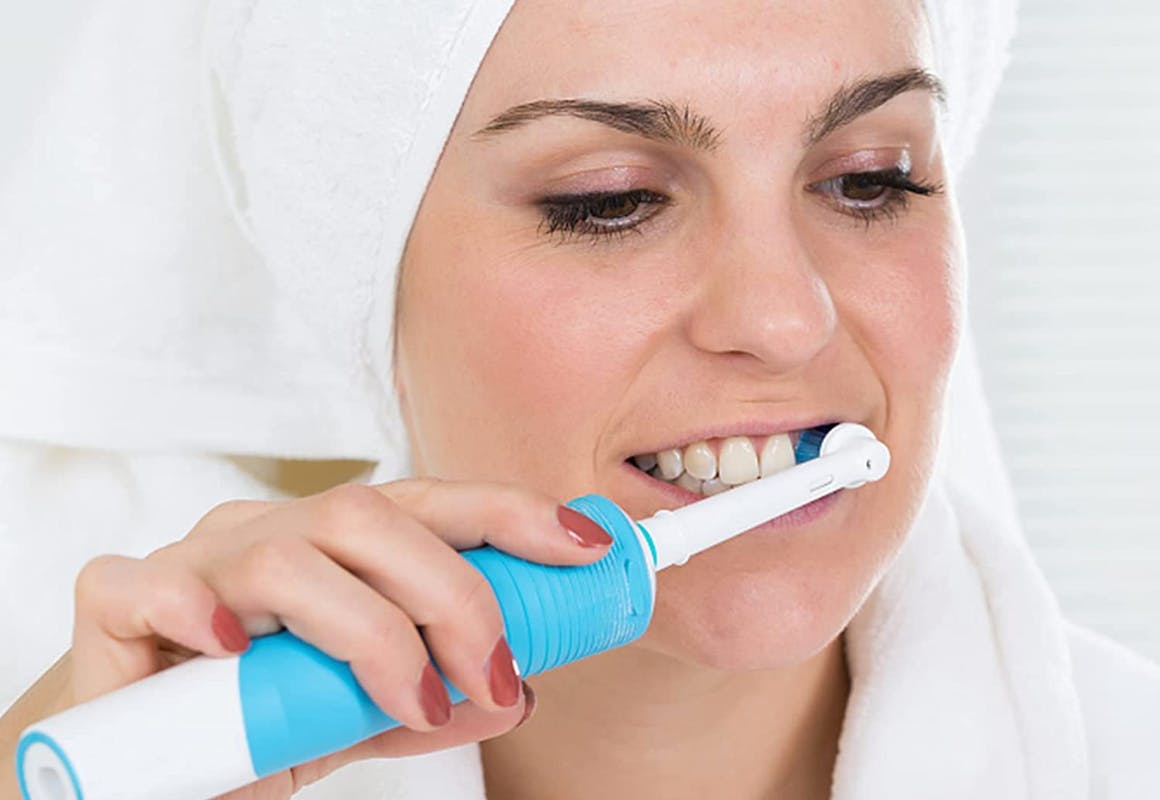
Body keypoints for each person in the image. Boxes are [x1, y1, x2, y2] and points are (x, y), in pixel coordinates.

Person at [1, 0, 1158, 798]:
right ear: (366, 295)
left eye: (868, 181)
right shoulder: (160, 745)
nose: (780, 318)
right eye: (608, 201)